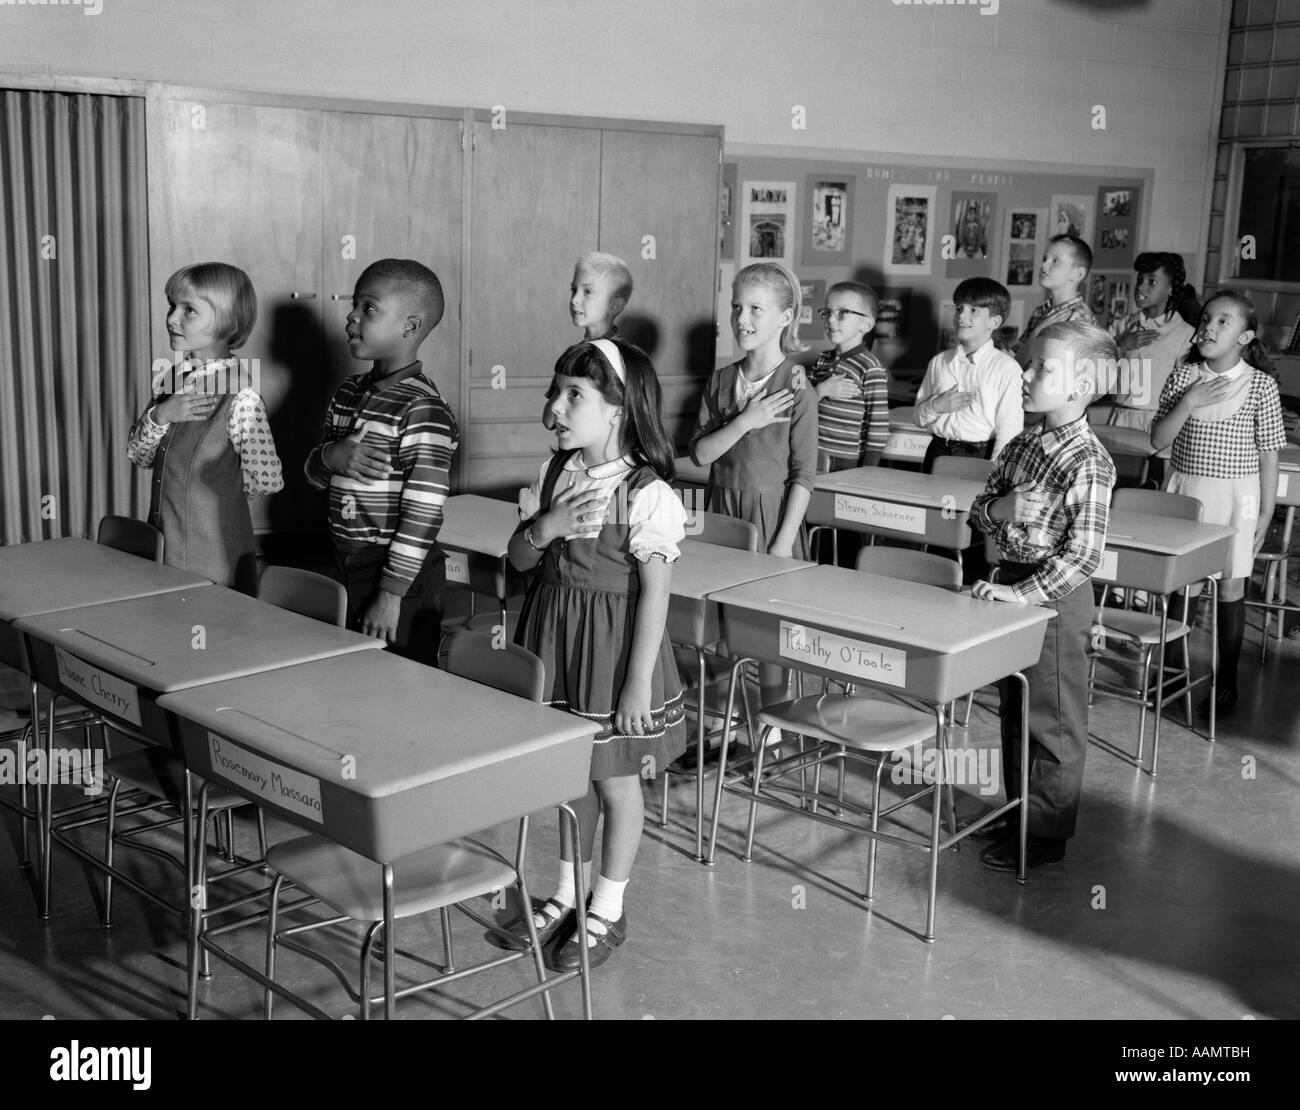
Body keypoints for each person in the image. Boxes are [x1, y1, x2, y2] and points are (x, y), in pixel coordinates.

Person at [500, 337, 687, 970]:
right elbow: (518, 561)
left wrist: (637, 686)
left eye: (572, 395)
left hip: (612, 656)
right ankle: (564, 894)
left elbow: (656, 598)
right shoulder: (557, 472)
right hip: (556, 643)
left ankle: (607, 906)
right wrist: (545, 527)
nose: (554, 406)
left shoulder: (647, 492)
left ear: (618, 408)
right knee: (567, 776)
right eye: (555, 392)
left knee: (613, 780)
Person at [968, 321, 1119, 871]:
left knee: (1052, 719)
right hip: (1010, 582)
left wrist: (1022, 595)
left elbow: (1083, 558)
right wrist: (999, 512)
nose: (1027, 374)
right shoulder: (1024, 443)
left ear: (1082, 385)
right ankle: (1017, 811)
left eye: (1042, 368)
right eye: (1029, 364)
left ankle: (1046, 832)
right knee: (1015, 708)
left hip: (1054, 597)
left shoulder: (1090, 461)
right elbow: (979, 507)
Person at [304, 258, 458, 665]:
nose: (351, 316)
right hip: (343, 556)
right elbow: (313, 475)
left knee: (398, 683)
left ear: (410, 326)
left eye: (369, 308)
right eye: (355, 305)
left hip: (399, 573)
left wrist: (391, 594)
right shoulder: (348, 391)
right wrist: (329, 456)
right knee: (347, 671)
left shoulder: (423, 408)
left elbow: (423, 512)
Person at [1150, 291, 1285, 717]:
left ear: (1244, 336)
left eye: (1223, 322)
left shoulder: (1260, 386)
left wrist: (1266, 511)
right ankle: (1171, 672)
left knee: (1230, 585)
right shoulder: (1183, 375)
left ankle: (1226, 682)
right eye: (1207, 318)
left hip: (1236, 497)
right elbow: (1158, 440)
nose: (1209, 326)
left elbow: (1269, 453)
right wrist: (1189, 401)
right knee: (1182, 584)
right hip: (1187, 493)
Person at [689, 262, 817, 698]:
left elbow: (803, 476)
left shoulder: (798, 387)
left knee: (768, 633)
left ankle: (772, 729)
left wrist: (782, 543)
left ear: (785, 317)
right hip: (721, 516)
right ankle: (720, 725)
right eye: (736, 307)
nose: (742, 320)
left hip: (770, 520)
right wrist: (746, 421)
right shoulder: (723, 379)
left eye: (756, 309)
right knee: (723, 625)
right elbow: (702, 452)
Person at [127, 261, 282, 594]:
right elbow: (139, 457)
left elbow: (268, 478)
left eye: (189, 310)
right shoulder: (168, 381)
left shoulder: (240, 396)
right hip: (165, 548)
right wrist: (162, 415)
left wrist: (221, 493)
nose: (171, 318)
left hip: (214, 557)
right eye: (172, 306)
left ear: (229, 321)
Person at [914, 277, 1023, 471]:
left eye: (973, 310)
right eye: (959, 309)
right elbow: (918, 418)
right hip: (938, 452)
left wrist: (995, 475)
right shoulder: (939, 362)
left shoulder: (1007, 369)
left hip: (978, 457)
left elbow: (1009, 432)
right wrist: (936, 405)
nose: (962, 316)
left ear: (994, 322)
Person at [1107, 252, 1198, 436]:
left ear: (1170, 288)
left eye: (1152, 282)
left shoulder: (1185, 335)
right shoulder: (1120, 326)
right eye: (1140, 279)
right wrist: (1121, 345)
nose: (1141, 287)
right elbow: (1092, 372)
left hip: (1157, 424)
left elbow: (1187, 393)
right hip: (1117, 418)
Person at [542, 252, 632, 431]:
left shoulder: (623, 359)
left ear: (615, 306)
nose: (575, 300)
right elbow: (549, 420)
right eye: (574, 290)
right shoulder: (574, 355)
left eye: (587, 292)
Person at [808, 281, 889, 474]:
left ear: (866, 324)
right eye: (827, 312)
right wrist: (820, 391)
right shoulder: (822, 360)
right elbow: (799, 404)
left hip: (845, 461)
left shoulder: (871, 368)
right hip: (810, 452)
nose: (831, 320)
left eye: (842, 313)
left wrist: (868, 471)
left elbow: (878, 424)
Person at [1015, 235, 1095, 368]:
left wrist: (1036, 335)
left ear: (1078, 274)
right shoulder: (1041, 311)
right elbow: (1016, 362)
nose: (1044, 265)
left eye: (1055, 261)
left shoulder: (1078, 318)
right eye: (1044, 259)